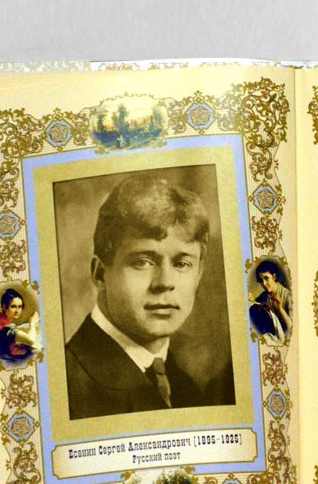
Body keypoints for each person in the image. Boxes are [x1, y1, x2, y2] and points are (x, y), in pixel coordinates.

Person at [65, 172, 235, 420]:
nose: (164, 282)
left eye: (182, 264)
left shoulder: (188, 389)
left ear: (198, 274)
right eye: (143, 261)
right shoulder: (66, 387)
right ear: (100, 273)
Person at [0, 288, 40, 365]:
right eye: (13, 306)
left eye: (20, 307)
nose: (17, 311)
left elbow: (4, 342)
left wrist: (13, 347)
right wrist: (32, 323)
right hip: (4, 360)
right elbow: (30, 340)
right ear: (4, 307)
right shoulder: (4, 326)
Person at [249, 259, 292, 343]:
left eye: (266, 278)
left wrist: (280, 309)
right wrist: (250, 301)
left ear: (274, 277)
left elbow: (292, 329)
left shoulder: (287, 296)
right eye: (261, 280)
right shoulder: (263, 296)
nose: (264, 283)